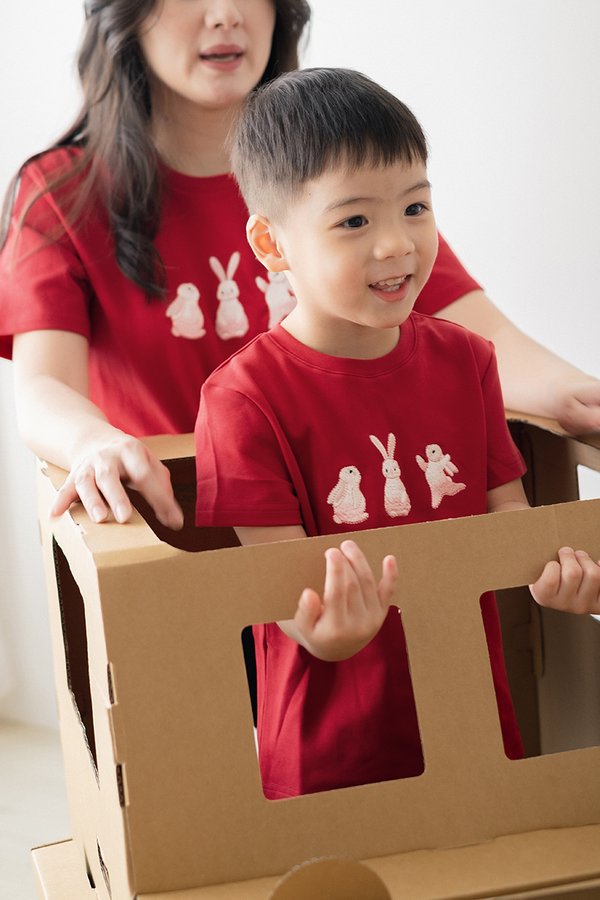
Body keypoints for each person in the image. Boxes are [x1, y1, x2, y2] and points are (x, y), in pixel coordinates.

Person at [0, 0, 599, 536]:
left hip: (344, 533)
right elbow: (42, 385)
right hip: (171, 535)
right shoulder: (62, 193)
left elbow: (477, 333)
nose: (225, 12)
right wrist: (94, 441)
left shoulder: (346, 179)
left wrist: (577, 393)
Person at [194, 67, 600, 799]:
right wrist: (329, 631)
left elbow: (508, 528)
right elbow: (286, 598)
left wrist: (556, 575)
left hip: (471, 725)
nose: (396, 245)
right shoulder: (242, 400)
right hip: (330, 757)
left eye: (415, 207)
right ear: (271, 242)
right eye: (353, 221)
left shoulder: (468, 362)